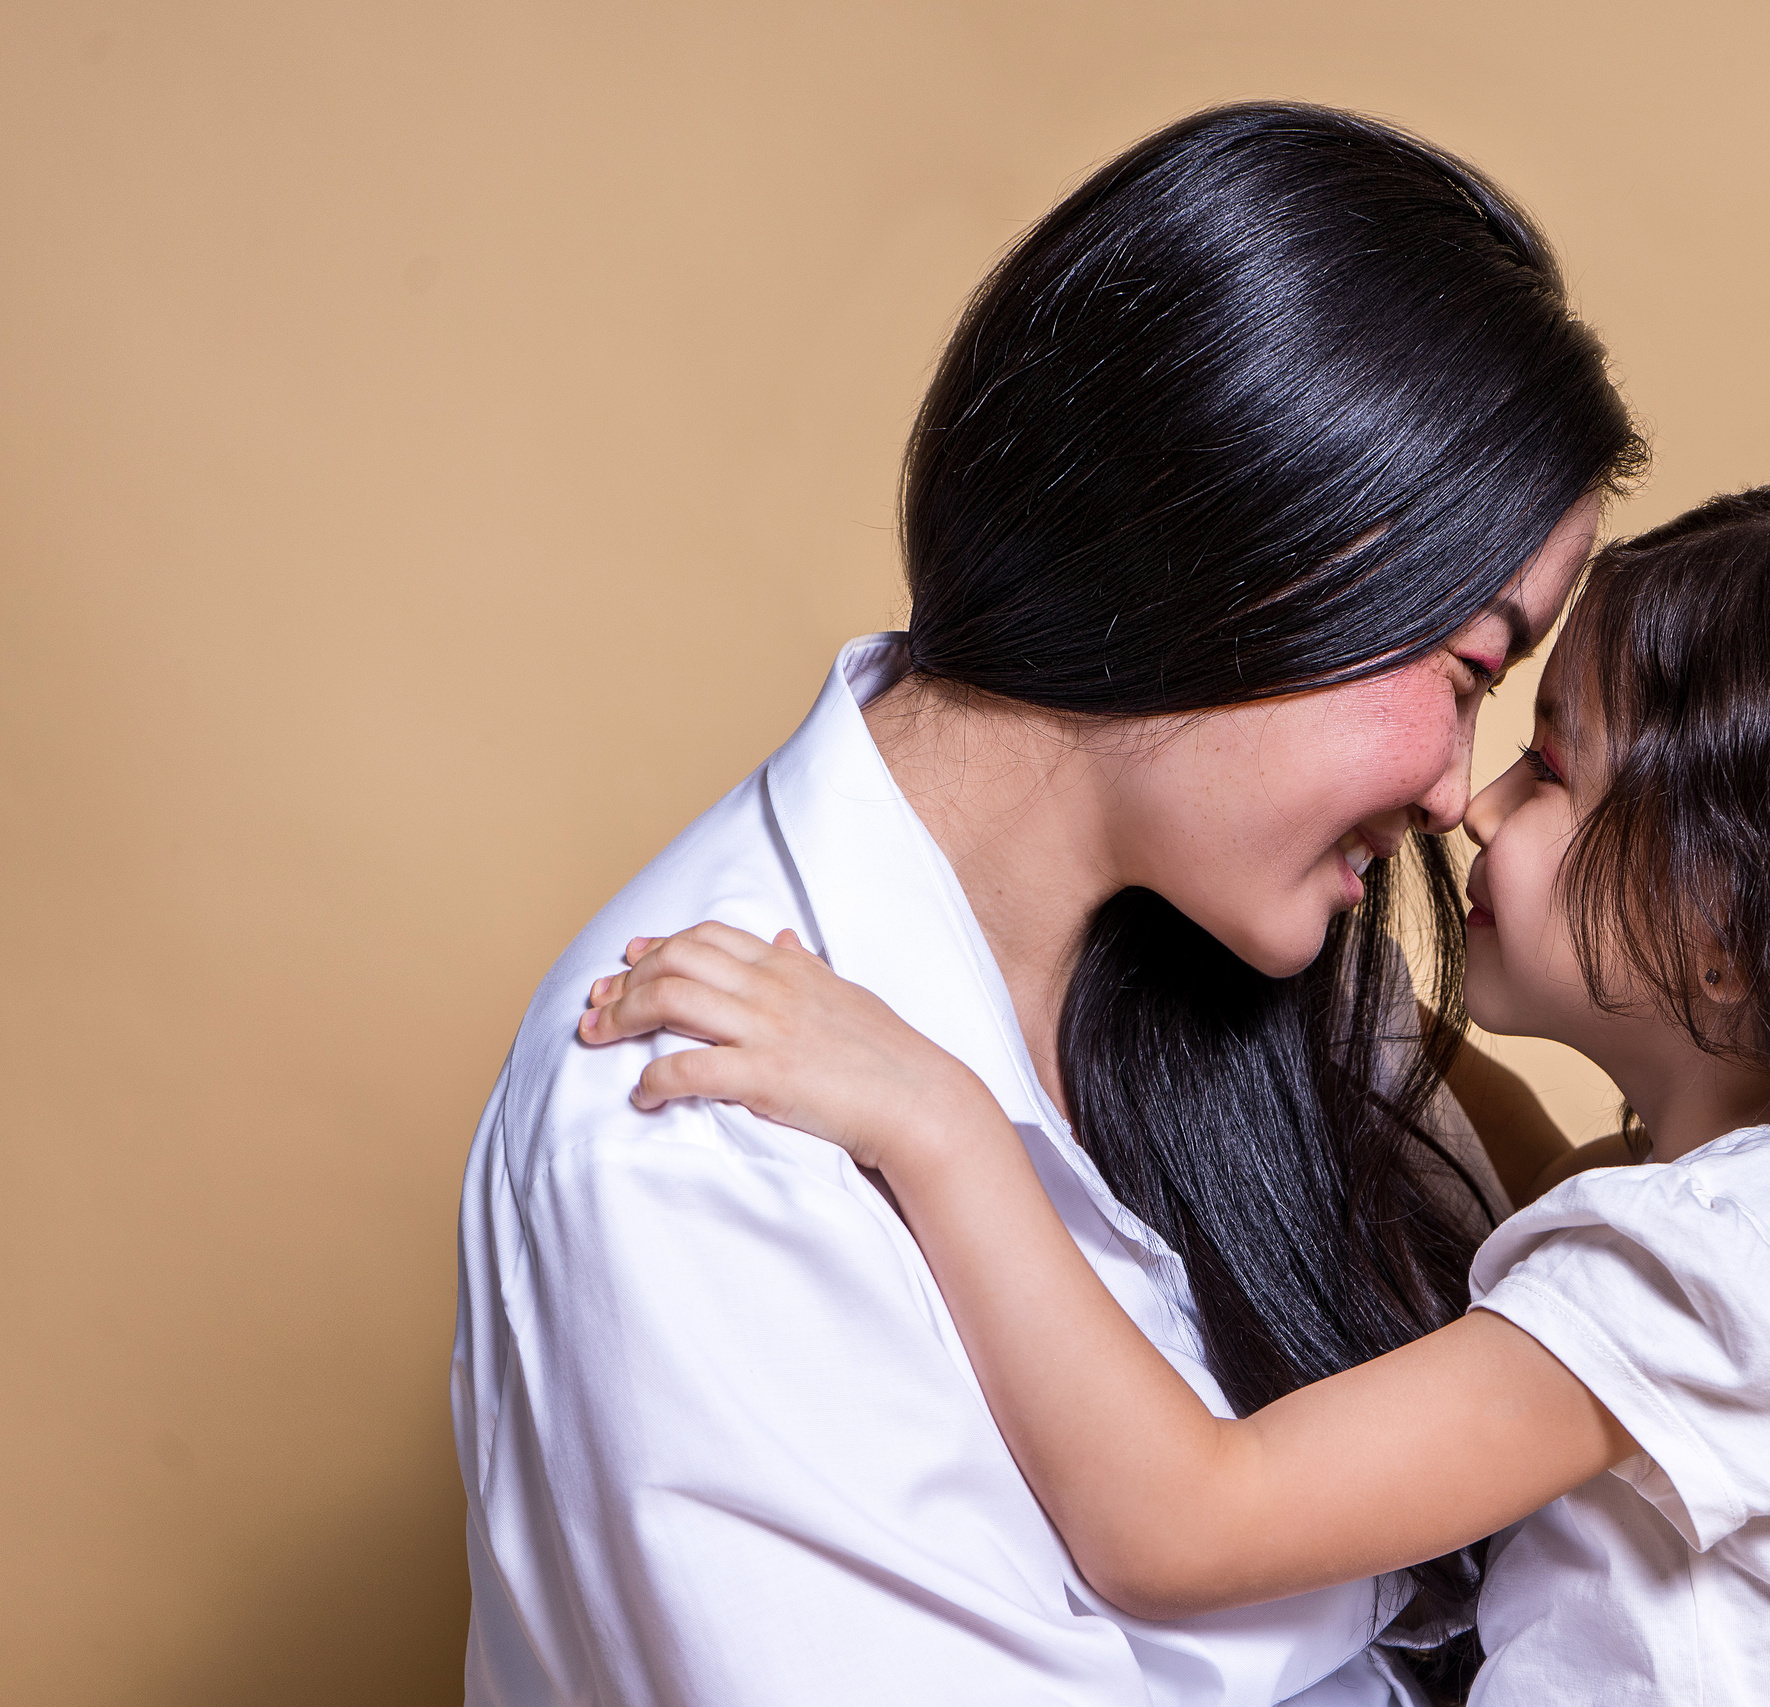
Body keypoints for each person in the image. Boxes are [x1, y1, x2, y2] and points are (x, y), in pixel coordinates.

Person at [582, 482, 1770, 1705]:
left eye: (1557, 767)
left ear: (1736, 941)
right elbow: (1505, 1182)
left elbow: (1183, 1520)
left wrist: (939, 1121)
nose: (1468, 803)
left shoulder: (1722, 1276)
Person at [451, 102, 1641, 1707]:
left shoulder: (1284, 994)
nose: (1456, 791)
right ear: (1264, 544)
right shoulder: (696, 1127)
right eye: (1472, 670)